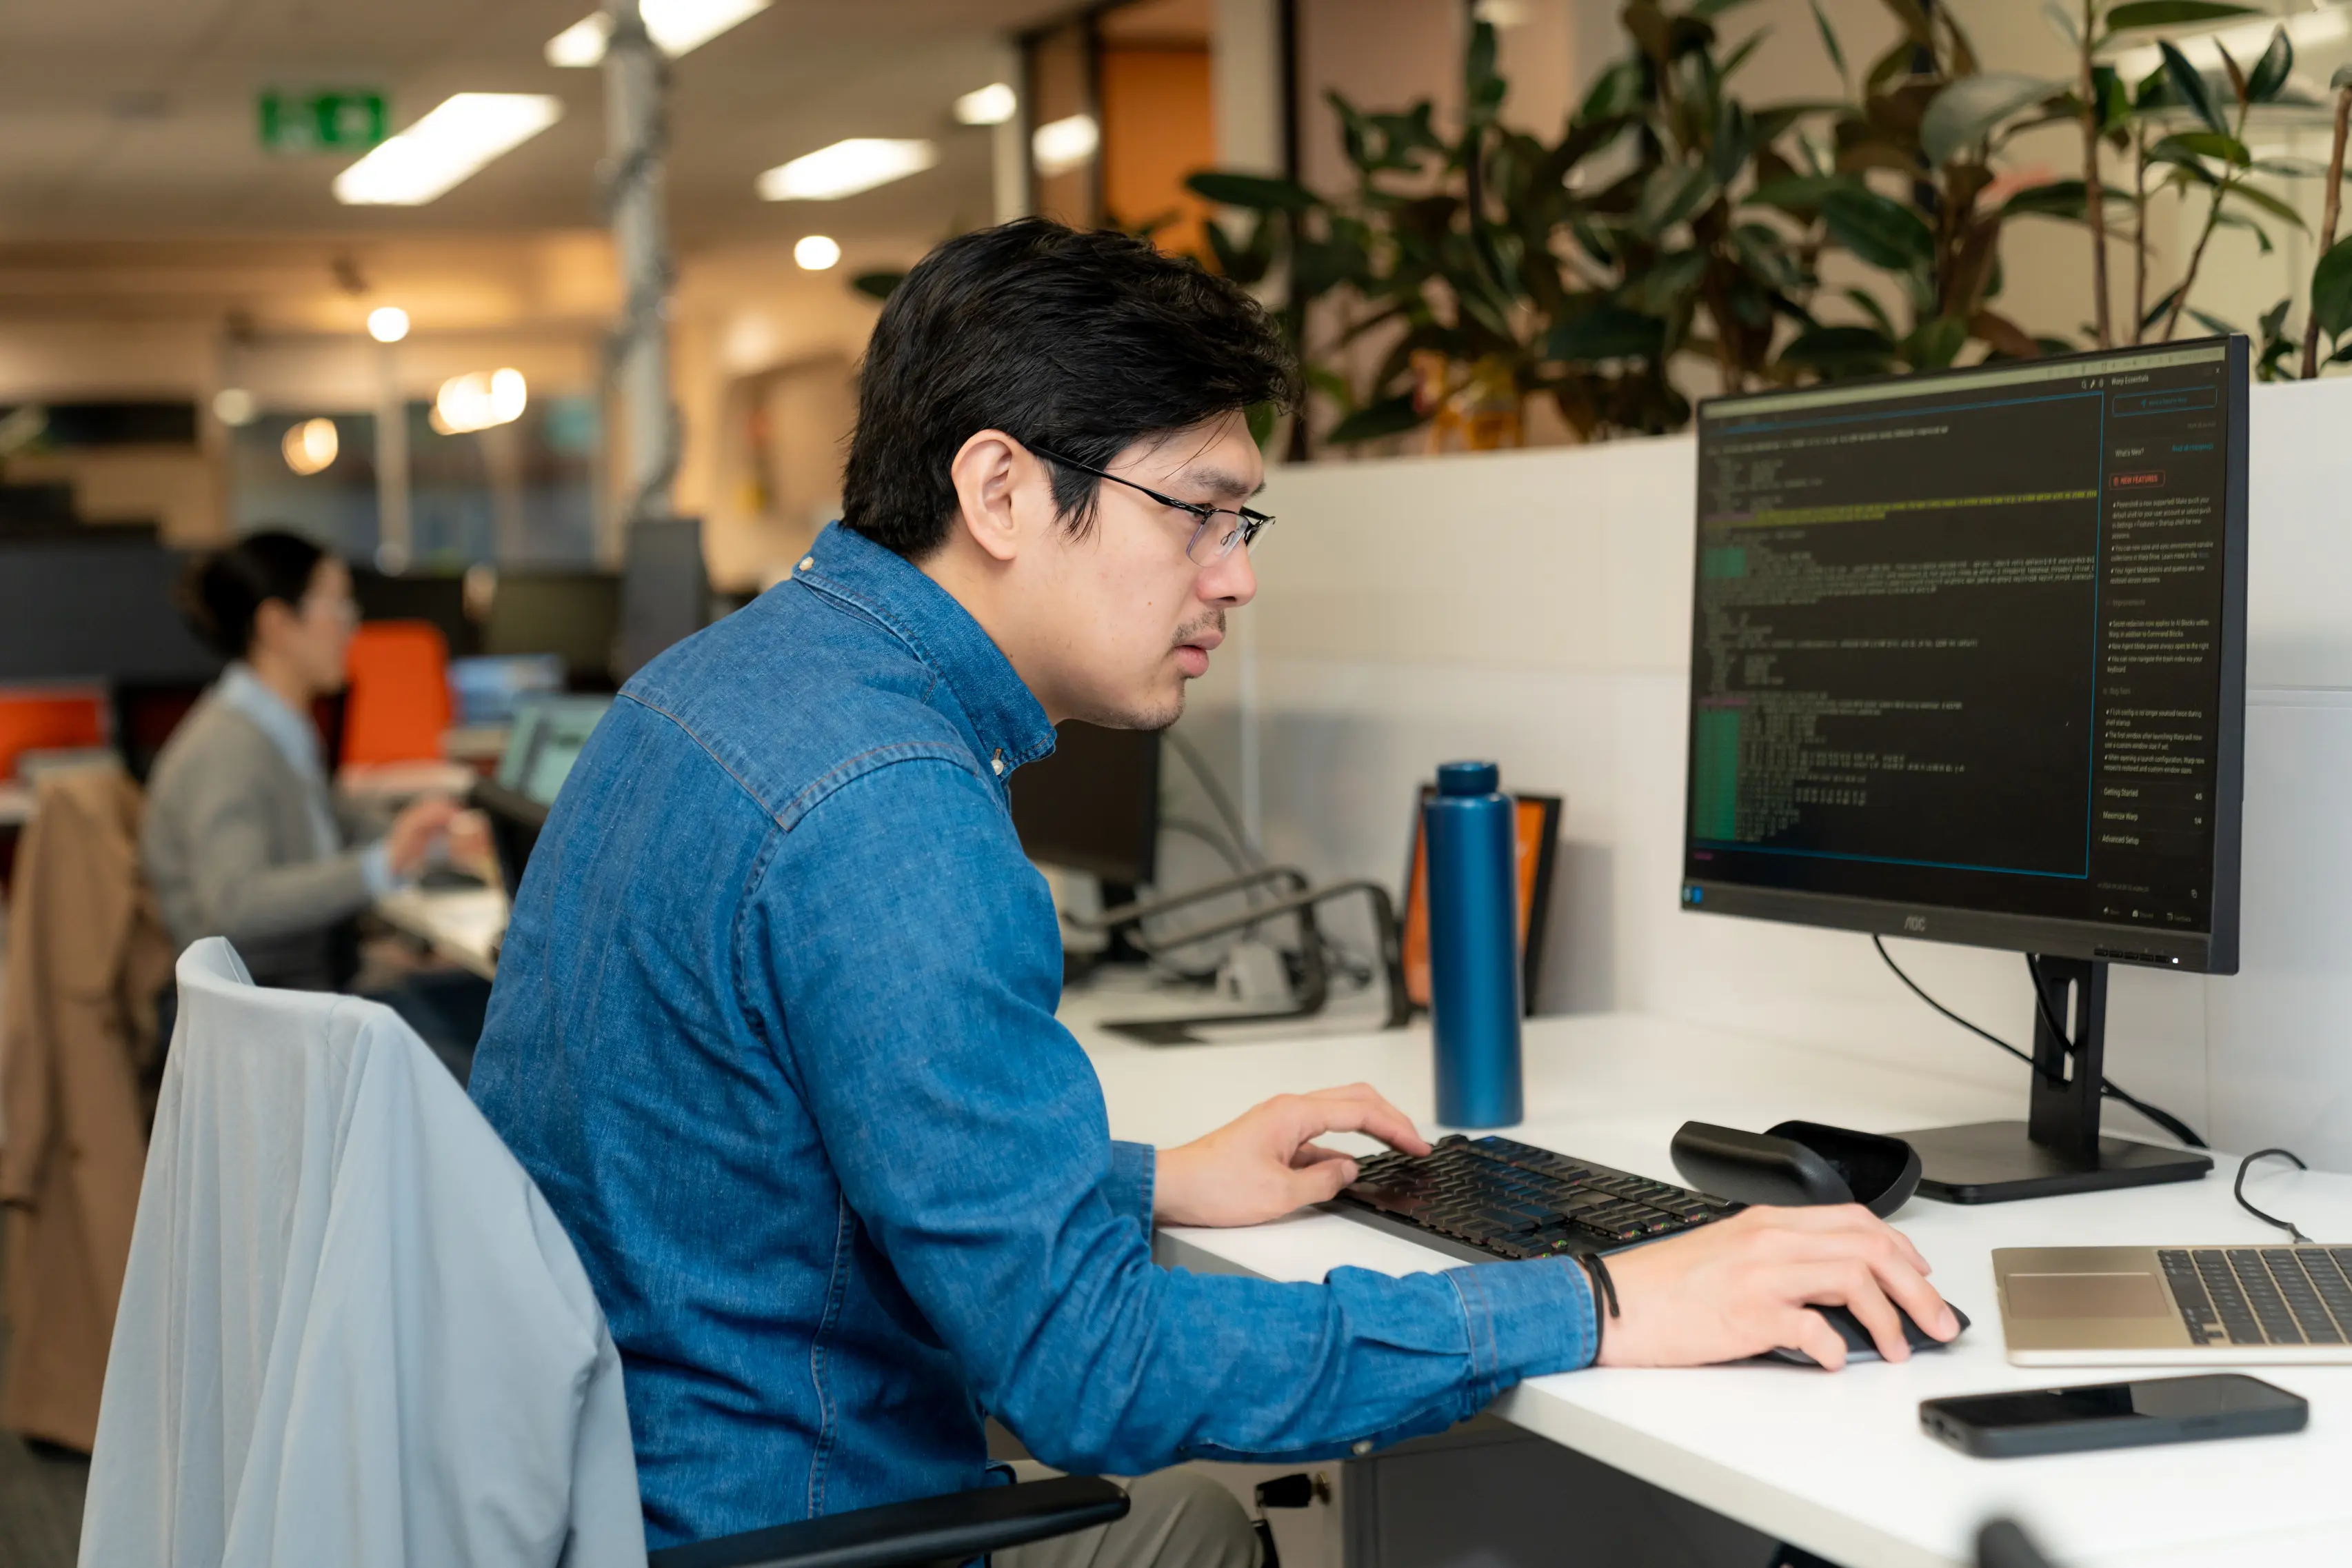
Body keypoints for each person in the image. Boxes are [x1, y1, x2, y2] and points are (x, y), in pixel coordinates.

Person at [469, 221, 1958, 1562]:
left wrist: (1148, 1181)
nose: (1233, 576)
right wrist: (1605, 1304)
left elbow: (745, 1163)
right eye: (1197, 510)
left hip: (631, 1498)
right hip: (801, 1528)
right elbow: (1086, 1368)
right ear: (998, 488)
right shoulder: (891, 813)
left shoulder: (711, 692)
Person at [141, 530, 489, 1077]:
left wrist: (434, 839)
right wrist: (382, 867)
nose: (351, 624)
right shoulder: (228, 748)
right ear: (277, 623)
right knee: (497, 1060)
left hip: (304, 993)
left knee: (485, 1013)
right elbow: (234, 904)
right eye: (336, 604)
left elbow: (330, 814)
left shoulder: (276, 725)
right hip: (262, 1021)